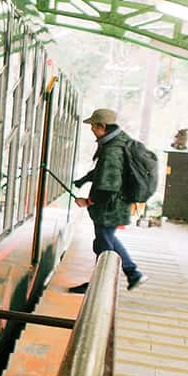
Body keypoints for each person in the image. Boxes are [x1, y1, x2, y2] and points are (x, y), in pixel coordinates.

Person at [69, 108, 147, 293]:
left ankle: (100, 286)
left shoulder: (112, 150)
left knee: (104, 246)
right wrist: (85, 179)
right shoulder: (119, 142)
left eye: (93, 127)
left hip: (110, 207)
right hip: (116, 205)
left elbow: (108, 187)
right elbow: (104, 171)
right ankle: (132, 273)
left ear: (102, 126)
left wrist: (87, 201)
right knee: (106, 240)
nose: (92, 131)